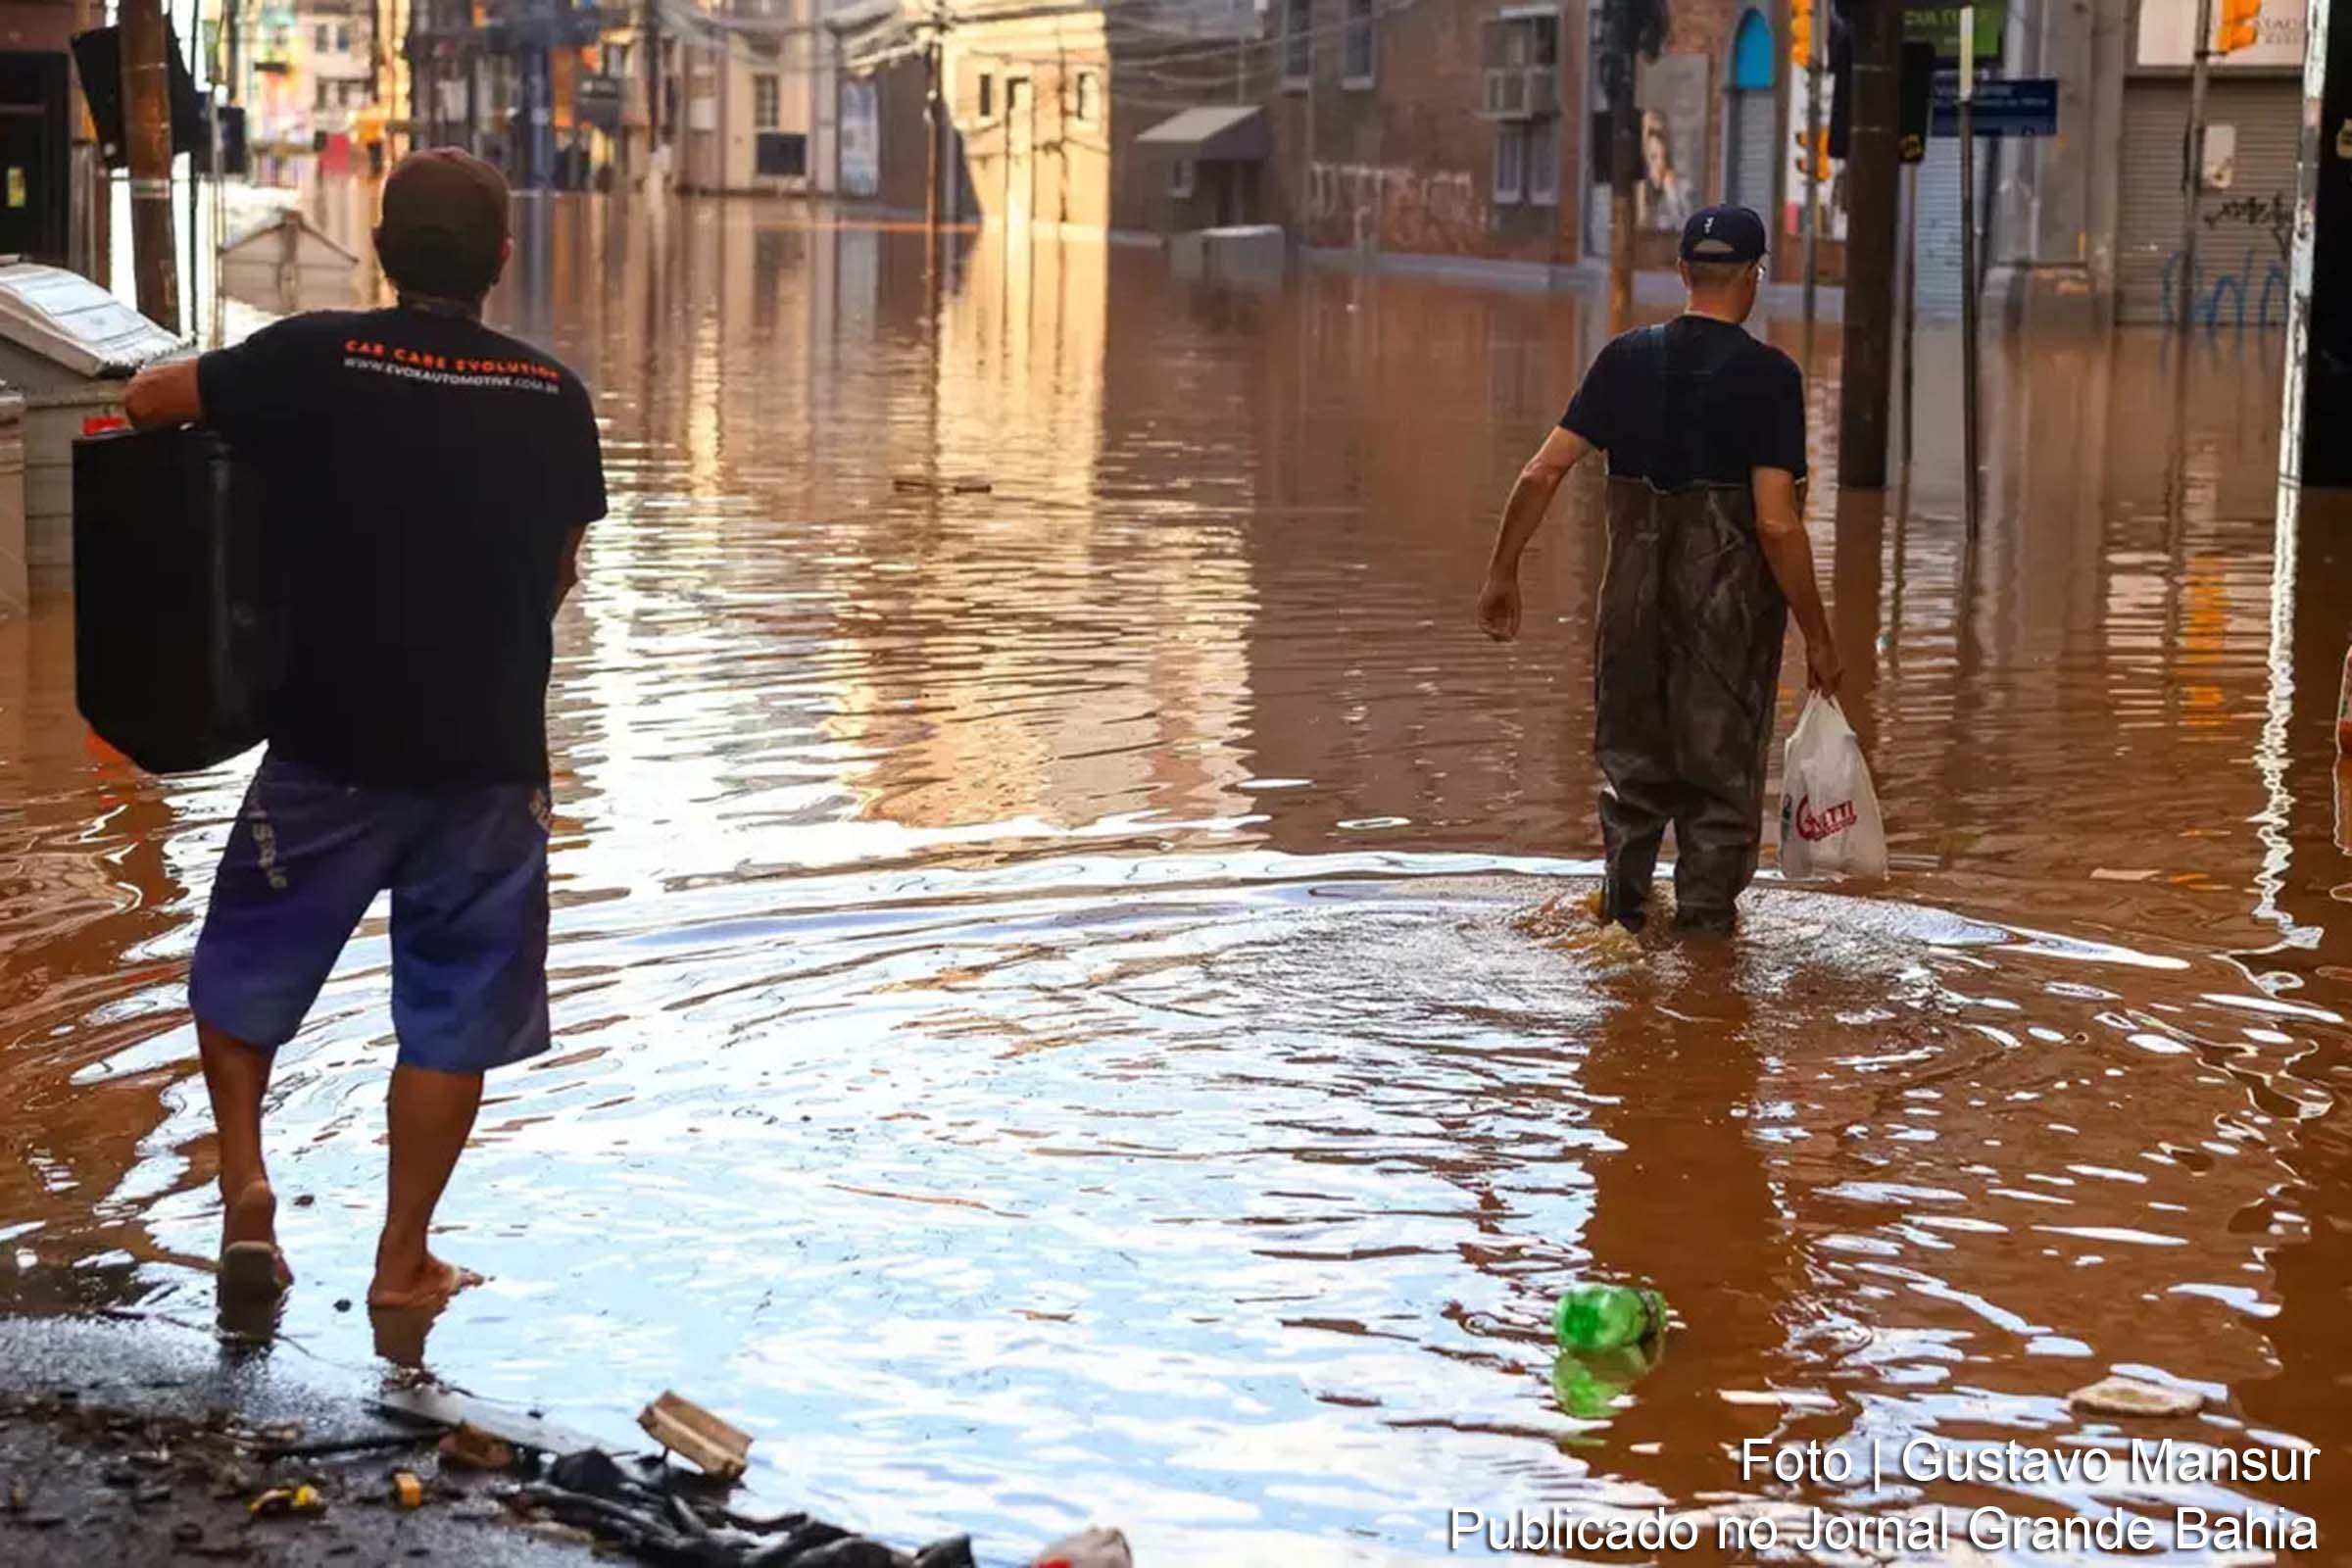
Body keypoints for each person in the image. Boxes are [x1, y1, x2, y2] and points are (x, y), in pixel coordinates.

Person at [124, 148, 608, 1315]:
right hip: (487, 760)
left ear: (381, 251)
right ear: (502, 260)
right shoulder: (554, 398)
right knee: (451, 1013)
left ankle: (246, 1187)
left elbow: (149, 402)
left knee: (244, 967)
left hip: (328, 744)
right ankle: (403, 1262)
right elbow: (557, 575)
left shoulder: (314, 357)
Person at [1475, 204, 1838, 935]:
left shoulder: (1622, 360)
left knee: (1633, 787)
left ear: (1681, 273)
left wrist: (1502, 573)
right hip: (1725, 631)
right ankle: (1705, 982)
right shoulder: (1769, 378)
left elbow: (1542, 471)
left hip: (1629, 619)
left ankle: (1623, 932)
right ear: (1754, 278)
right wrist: (1819, 634)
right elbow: (1774, 522)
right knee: (1717, 798)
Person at [1638, 111, 1692, 233]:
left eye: (1662, 157)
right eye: (1654, 157)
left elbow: (1684, 225)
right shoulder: (1640, 185)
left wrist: (1671, 193)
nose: (1659, 164)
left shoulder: (1677, 186)